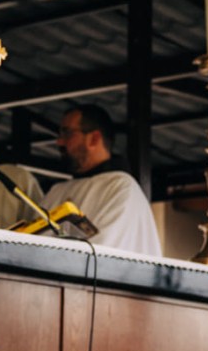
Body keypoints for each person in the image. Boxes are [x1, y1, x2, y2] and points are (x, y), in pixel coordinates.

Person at [41, 105, 161, 256]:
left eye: (67, 133)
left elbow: (100, 255)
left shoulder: (121, 188)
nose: (59, 142)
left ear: (94, 139)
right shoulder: (56, 191)